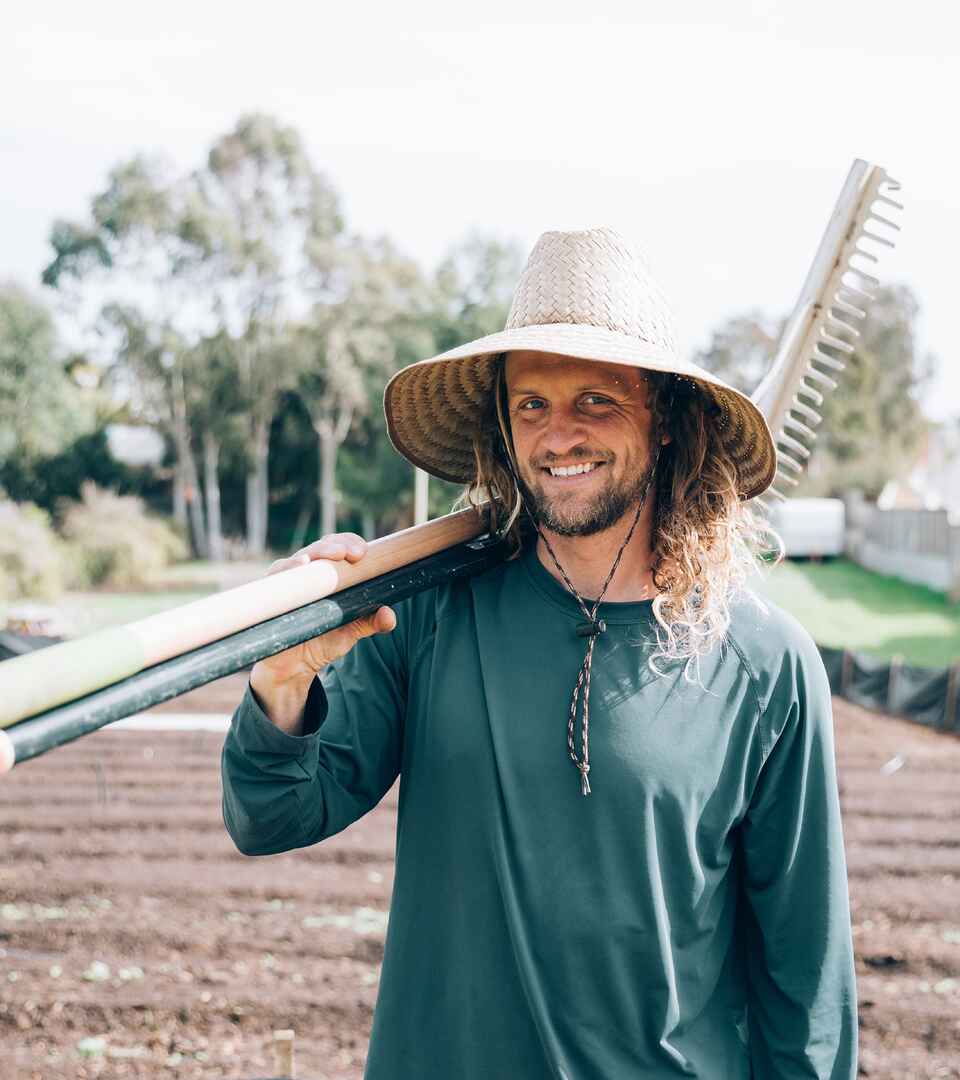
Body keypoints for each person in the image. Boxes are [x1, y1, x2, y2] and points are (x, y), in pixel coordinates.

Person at [221, 227, 858, 1078]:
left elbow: (805, 980)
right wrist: (282, 678)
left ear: (665, 419)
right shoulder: (425, 613)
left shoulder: (764, 663)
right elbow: (274, 817)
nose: (559, 435)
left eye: (596, 399)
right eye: (532, 403)